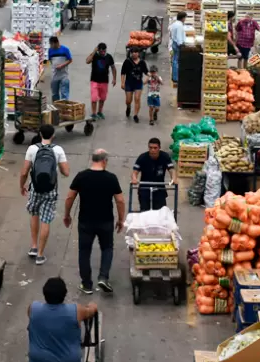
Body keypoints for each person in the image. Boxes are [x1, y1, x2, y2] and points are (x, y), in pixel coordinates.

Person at [65, 149, 125, 294]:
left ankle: (86, 284)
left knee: (84, 251)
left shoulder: (81, 176)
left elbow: (70, 197)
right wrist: (121, 219)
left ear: (93, 159)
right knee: (107, 248)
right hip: (105, 221)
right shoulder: (111, 178)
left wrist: (67, 215)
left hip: (86, 221)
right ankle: (103, 277)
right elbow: (120, 200)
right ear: (104, 161)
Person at [27, 277, 97, 362]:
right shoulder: (75, 311)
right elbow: (91, 311)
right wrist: (93, 305)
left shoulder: (33, 309)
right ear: (64, 294)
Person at [20, 124, 70, 265]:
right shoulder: (58, 150)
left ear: (40, 134)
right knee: (45, 220)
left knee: (34, 214)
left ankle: (33, 247)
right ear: (53, 135)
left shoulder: (32, 149)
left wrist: (21, 186)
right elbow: (66, 172)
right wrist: (58, 166)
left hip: (35, 188)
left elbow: (24, 172)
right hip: (51, 189)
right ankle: (40, 255)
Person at [132, 138, 176, 211]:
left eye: (155, 148)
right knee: (144, 212)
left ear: (159, 148)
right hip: (144, 188)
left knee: (161, 212)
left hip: (159, 188)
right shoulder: (142, 157)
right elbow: (135, 171)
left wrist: (173, 179)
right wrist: (134, 179)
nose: (153, 150)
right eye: (151, 148)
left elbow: (171, 169)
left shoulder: (165, 157)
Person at [86, 43, 116, 120]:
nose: (102, 53)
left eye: (104, 51)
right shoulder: (94, 55)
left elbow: (113, 68)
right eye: (101, 51)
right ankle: (93, 113)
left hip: (104, 81)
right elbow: (87, 61)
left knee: (102, 98)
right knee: (94, 98)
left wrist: (114, 78)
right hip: (94, 80)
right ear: (98, 50)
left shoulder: (109, 57)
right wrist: (93, 52)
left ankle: (100, 112)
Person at [121, 47, 148, 123]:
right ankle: (128, 107)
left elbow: (146, 71)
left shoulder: (142, 62)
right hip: (129, 83)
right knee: (128, 100)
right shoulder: (127, 62)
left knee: (137, 99)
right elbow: (123, 73)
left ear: (138, 53)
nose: (134, 53)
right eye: (132, 52)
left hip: (138, 83)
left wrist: (150, 75)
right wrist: (122, 82)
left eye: (136, 52)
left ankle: (135, 115)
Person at [48, 36, 72, 102]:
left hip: (64, 75)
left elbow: (70, 60)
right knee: (54, 94)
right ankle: (56, 108)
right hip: (54, 76)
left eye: (51, 44)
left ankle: (64, 109)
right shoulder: (50, 50)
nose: (50, 46)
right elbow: (51, 61)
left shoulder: (65, 49)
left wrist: (62, 65)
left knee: (64, 94)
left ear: (55, 43)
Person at [170, 11, 187, 85]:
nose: (185, 19)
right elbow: (179, 37)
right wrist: (181, 45)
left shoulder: (174, 24)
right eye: (185, 18)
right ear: (183, 18)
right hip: (177, 44)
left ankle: (174, 77)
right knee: (176, 61)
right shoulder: (180, 26)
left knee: (174, 60)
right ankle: (176, 78)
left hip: (174, 43)